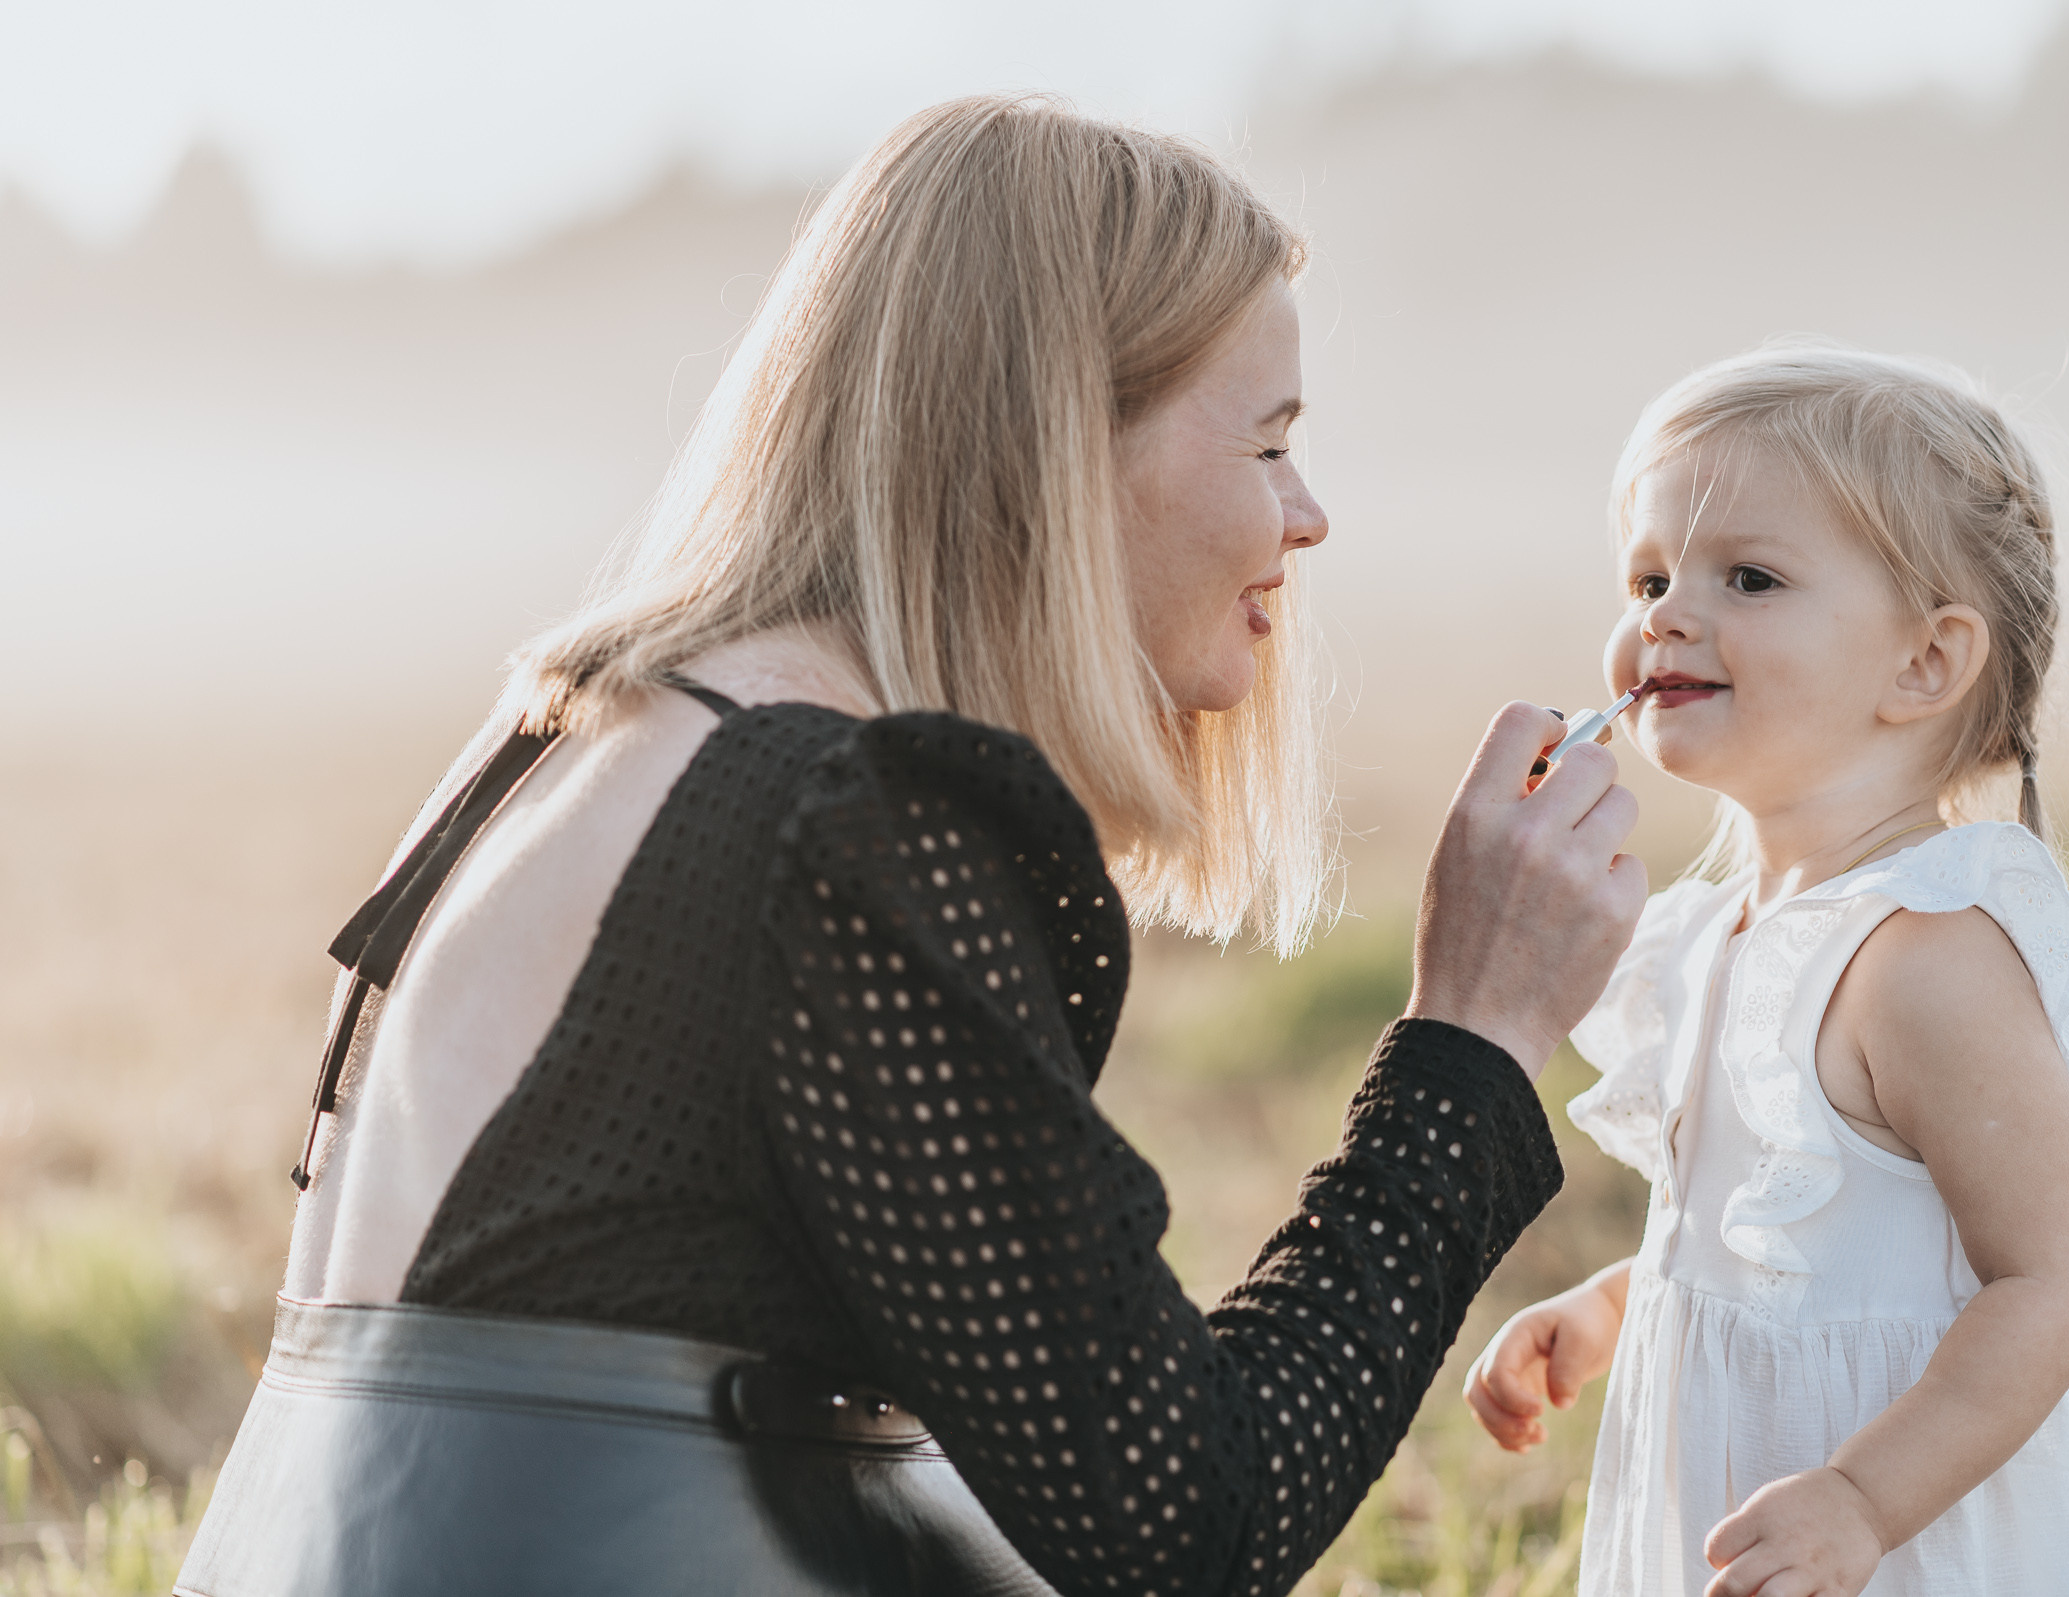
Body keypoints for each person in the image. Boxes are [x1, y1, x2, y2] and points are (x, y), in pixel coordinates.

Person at [175, 95, 1651, 1597]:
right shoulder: (839, 821)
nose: (1309, 513)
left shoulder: (576, 735)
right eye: (1267, 441)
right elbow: (1186, 1520)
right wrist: (1473, 1040)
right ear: (1056, 448)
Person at [1462, 344, 2069, 1597]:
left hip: (1928, 1530)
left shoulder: (1926, 957)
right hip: (1756, 1503)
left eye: (1747, 577)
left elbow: (2054, 1279)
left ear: (1924, 663)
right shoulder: (1718, 933)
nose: (1664, 614)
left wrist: (1865, 1498)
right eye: (1648, 575)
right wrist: (1617, 1304)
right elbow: (1790, 1250)